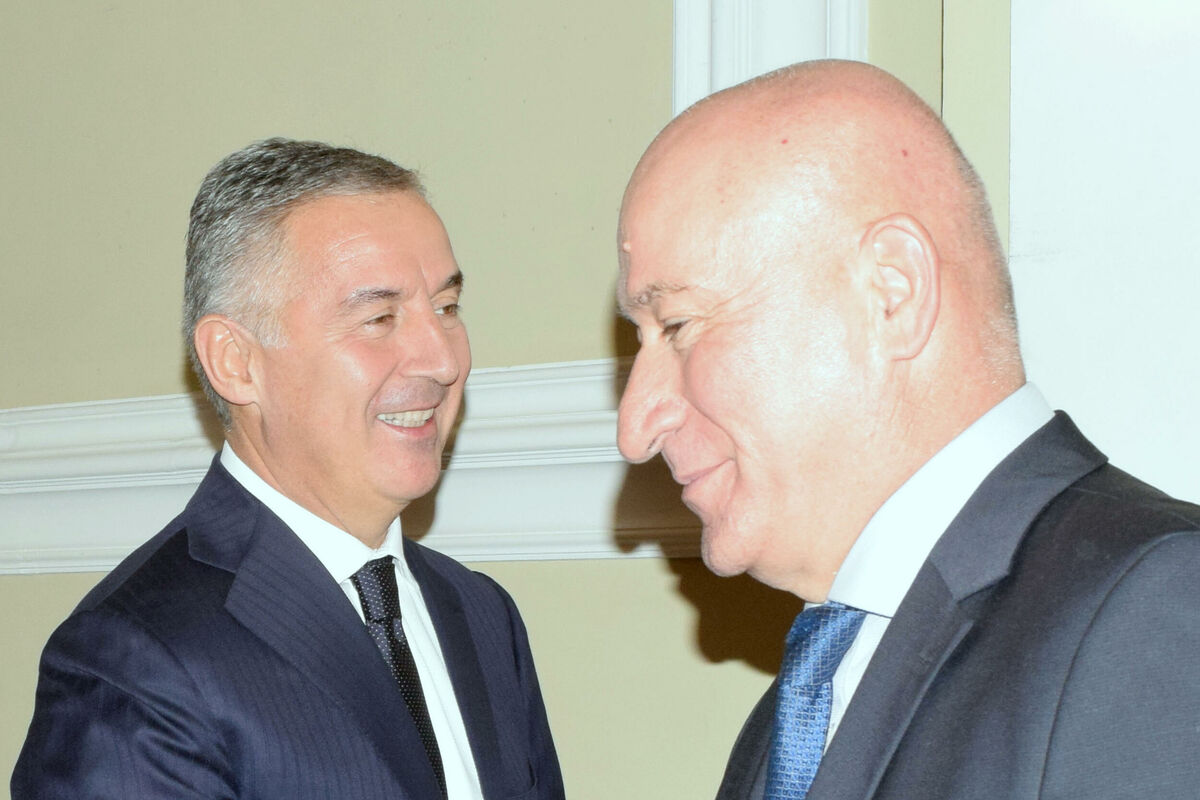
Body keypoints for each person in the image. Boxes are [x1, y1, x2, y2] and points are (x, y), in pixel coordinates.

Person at [616, 60, 1200, 799]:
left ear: (892, 292)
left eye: (677, 324)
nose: (635, 427)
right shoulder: (805, 702)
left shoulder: (1157, 611)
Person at [13, 138, 564, 800]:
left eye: (446, 308)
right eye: (379, 318)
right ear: (236, 362)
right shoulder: (134, 664)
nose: (442, 360)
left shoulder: (480, 614)